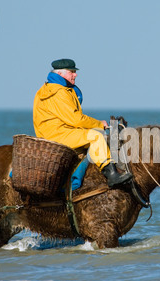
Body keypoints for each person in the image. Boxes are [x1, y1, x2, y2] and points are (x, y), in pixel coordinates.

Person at [33, 58, 132, 187]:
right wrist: (99, 124)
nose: (75, 74)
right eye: (72, 71)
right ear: (60, 74)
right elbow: (76, 119)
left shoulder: (45, 89)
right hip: (58, 135)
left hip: (52, 133)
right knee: (96, 136)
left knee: (90, 136)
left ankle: (78, 177)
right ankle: (112, 175)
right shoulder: (60, 92)